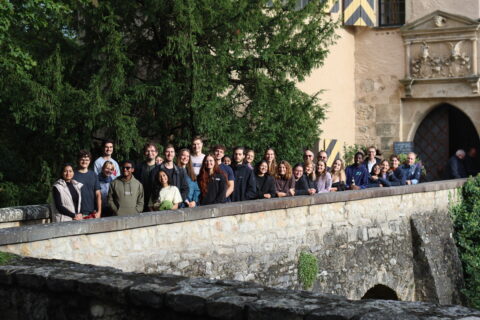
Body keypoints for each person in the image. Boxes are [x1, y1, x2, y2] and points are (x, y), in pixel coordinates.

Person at [74, 150, 102, 218]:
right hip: (77, 213)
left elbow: (98, 194)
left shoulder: (93, 175)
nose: (84, 162)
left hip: (92, 213)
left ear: (90, 161)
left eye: (87, 160)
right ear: (78, 160)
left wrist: (99, 212)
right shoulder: (72, 175)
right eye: (82, 159)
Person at [134, 143, 158, 212]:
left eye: (152, 151)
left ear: (156, 153)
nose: (150, 153)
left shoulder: (160, 169)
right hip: (140, 200)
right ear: (144, 153)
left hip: (155, 201)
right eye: (148, 151)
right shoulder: (138, 168)